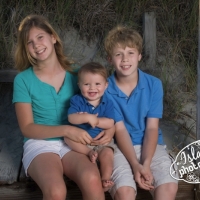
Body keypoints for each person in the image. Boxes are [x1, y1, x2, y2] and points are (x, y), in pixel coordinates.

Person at [12, 14, 107, 200]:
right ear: (26, 49)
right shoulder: (23, 80)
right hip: (39, 143)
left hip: (74, 143)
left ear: (53, 38)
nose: (36, 44)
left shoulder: (77, 74)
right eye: (30, 42)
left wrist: (110, 131)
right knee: (56, 191)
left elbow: (103, 106)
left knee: (92, 179)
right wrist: (66, 129)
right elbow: (27, 128)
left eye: (40, 37)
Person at [94, 26, 179, 199]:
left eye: (131, 53)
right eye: (118, 54)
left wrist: (145, 164)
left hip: (151, 145)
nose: (125, 59)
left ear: (139, 56)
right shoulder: (106, 89)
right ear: (110, 59)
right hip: (118, 146)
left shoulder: (154, 84)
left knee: (168, 186)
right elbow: (120, 130)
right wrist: (135, 165)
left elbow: (152, 128)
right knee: (125, 192)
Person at [65, 62, 116, 191]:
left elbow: (110, 123)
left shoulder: (107, 103)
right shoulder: (77, 100)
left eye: (97, 84)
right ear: (79, 85)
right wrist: (86, 117)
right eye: (87, 84)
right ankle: (88, 153)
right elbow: (71, 118)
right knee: (67, 138)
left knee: (108, 153)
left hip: (101, 141)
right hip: (82, 141)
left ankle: (105, 178)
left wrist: (97, 121)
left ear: (106, 85)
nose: (92, 88)